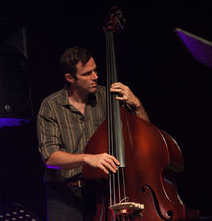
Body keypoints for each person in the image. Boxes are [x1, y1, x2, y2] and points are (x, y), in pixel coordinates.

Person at [37, 46, 150, 221]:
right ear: (70, 78)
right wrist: (88, 158)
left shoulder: (108, 98)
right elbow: (50, 158)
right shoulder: (51, 106)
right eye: (87, 73)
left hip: (103, 191)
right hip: (65, 194)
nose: (95, 76)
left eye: (95, 70)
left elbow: (146, 133)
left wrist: (137, 104)